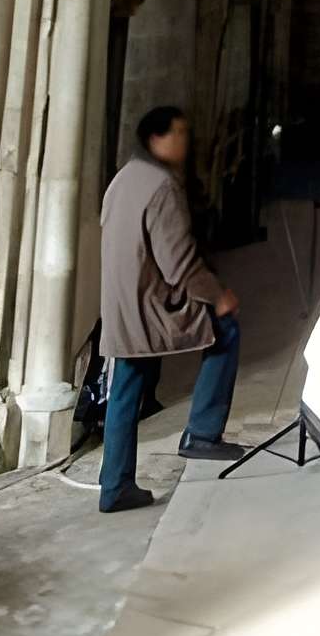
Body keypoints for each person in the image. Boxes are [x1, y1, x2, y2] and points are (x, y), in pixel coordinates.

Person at [97, 103, 243, 512]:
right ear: (154, 139)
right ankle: (202, 434)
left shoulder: (124, 178)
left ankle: (115, 485)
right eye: (177, 133)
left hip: (123, 303)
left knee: (127, 386)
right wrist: (218, 295)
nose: (185, 141)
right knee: (226, 328)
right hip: (154, 302)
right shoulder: (160, 186)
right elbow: (179, 264)